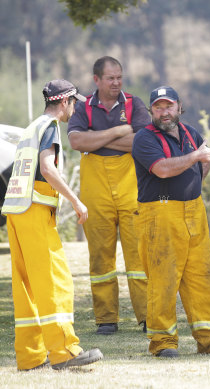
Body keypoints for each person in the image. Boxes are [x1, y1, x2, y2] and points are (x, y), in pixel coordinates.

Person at [2, 79, 103, 370]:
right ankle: (64, 351)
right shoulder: (49, 128)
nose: (74, 109)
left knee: (28, 287)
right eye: (74, 103)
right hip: (34, 212)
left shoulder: (31, 127)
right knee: (55, 282)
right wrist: (75, 200)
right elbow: (47, 168)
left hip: (17, 211)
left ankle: (31, 356)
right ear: (64, 102)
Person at [132, 86, 210, 358]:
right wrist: (194, 157)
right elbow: (162, 169)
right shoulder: (144, 138)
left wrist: (192, 183)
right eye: (158, 107)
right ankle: (163, 343)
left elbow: (204, 166)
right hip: (160, 213)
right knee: (163, 280)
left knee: (203, 276)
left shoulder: (192, 133)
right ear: (151, 111)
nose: (164, 112)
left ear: (179, 107)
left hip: (193, 210)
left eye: (169, 106)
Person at [68, 56, 149, 335]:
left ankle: (148, 316)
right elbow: (76, 141)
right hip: (95, 189)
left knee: (139, 254)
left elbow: (142, 141)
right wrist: (117, 132)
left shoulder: (134, 104)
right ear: (97, 80)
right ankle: (106, 319)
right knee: (100, 256)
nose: (116, 83)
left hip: (131, 188)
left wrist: (97, 137)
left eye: (119, 77)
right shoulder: (82, 106)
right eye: (110, 78)